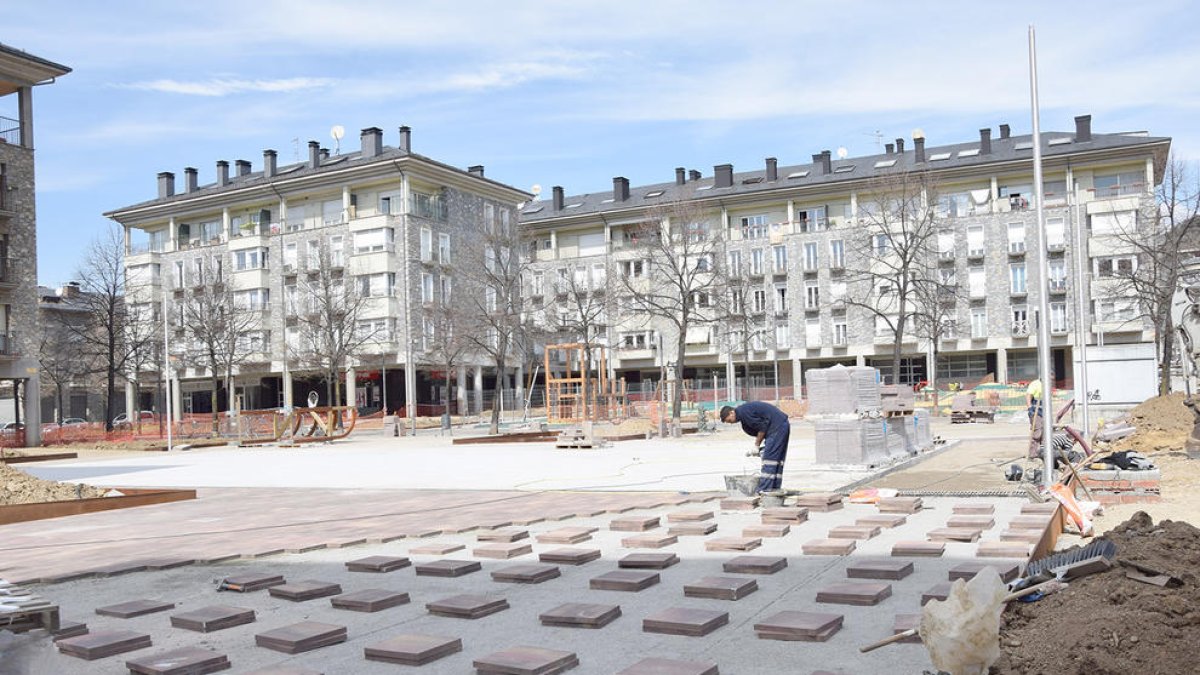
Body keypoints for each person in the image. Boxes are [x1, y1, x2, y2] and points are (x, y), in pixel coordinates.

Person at [720, 402, 790, 493]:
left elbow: (762, 427)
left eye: (729, 420)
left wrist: (756, 445)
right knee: (776, 461)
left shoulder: (744, 413)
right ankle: (775, 488)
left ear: (732, 413)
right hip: (781, 425)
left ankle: (764, 490)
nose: (730, 423)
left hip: (777, 427)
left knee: (769, 460)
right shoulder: (744, 416)